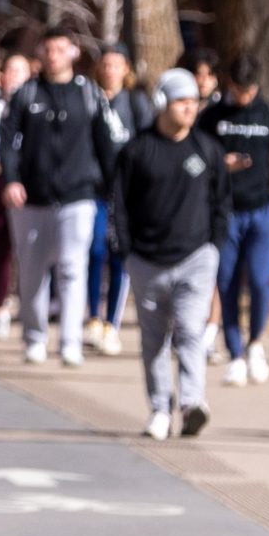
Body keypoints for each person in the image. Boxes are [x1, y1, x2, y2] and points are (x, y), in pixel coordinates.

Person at [112, 68, 228, 439]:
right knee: (154, 340)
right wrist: (127, 251)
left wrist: (214, 246)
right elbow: (120, 205)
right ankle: (160, 408)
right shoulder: (136, 151)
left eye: (194, 102)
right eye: (182, 101)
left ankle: (192, 402)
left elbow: (221, 202)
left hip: (195, 258)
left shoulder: (207, 150)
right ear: (162, 103)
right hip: (147, 261)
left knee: (191, 331)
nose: (190, 109)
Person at [3, 25, 129, 366]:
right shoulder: (27, 94)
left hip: (78, 197)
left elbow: (107, 144)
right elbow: (8, 142)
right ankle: (35, 337)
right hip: (32, 199)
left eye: (61, 48)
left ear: (73, 52)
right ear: (41, 53)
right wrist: (11, 180)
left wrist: (111, 189)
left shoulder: (89, 93)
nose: (54, 55)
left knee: (72, 269)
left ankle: (70, 341)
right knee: (31, 273)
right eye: (49, 49)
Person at [202, 53, 269, 388]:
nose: (245, 97)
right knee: (225, 281)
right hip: (226, 211)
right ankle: (235, 353)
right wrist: (219, 164)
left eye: (250, 90)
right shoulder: (213, 116)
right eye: (240, 90)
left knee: (259, 279)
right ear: (230, 84)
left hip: (260, 211)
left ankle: (256, 342)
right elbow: (198, 154)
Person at [84, 42, 152, 353]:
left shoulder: (136, 103)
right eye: (105, 64)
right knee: (95, 250)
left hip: (127, 193)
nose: (110, 70)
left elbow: (148, 143)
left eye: (116, 65)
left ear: (126, 69)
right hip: (94, 190)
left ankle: (113, 322)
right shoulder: (90, 99)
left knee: (118, 256)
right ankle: (93, 318)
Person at [0, 46, 32, 336]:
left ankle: (29, 305)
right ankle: (0, 307)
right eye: (8, 71)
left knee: (27, 248)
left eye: (20, 71)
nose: (13, 77)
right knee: (0, 247)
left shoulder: (37, 106)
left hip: (26, 183)